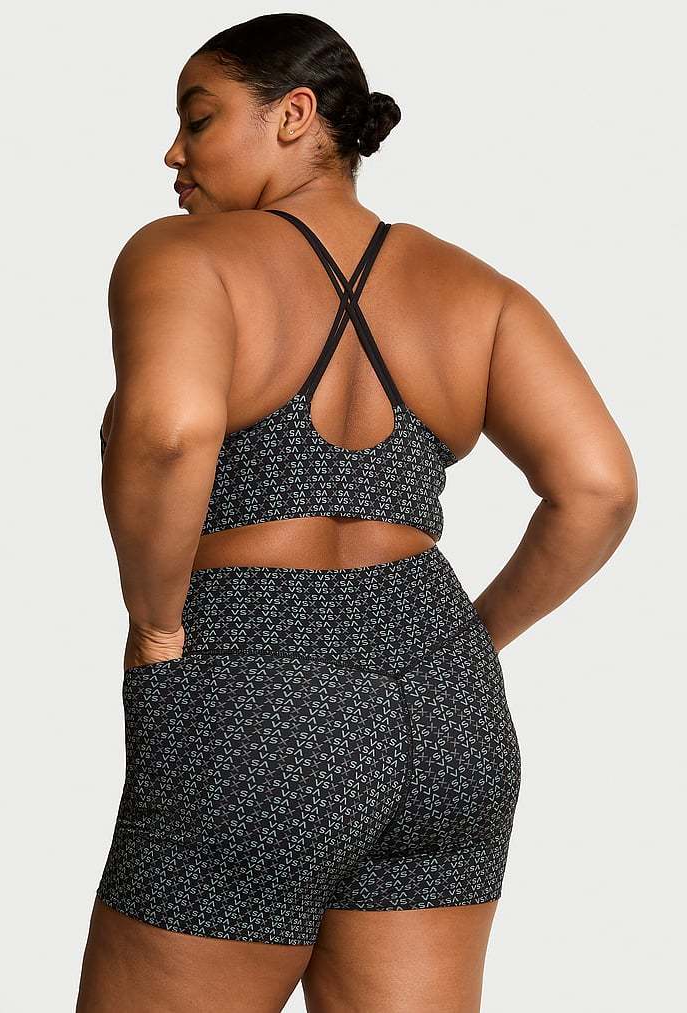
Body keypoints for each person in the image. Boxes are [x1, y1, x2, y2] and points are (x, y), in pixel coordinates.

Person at [77, 13, 637, 1013]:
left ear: (294, 115)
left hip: (254, 691)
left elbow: (170, 432)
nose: (174, 152)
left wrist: (158, 624)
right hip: (448, 709)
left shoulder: (185, 257)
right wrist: (470, 642)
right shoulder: (474, 289)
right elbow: (599, 485)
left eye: (198, 119)